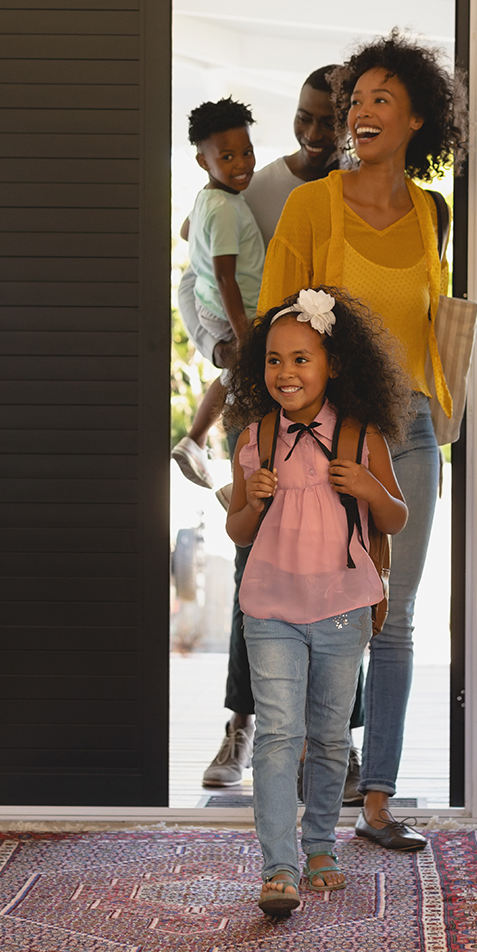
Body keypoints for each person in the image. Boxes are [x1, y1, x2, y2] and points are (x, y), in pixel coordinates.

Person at [257, 29, 468, 851]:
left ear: (417, 119)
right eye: (358, 99)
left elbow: (427, 324)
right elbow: (276, 323)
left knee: (395, 615)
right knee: (324, 607)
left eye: (384, 98)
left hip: (410, 430)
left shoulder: (431, 212)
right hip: (327, 434)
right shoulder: (312, 206)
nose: (363, 112)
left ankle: (376, 800)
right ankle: (314, 789)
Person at [175, 68, 365, 797]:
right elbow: (192, 274)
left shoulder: (361, 191)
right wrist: (217, 348)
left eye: (329, 121)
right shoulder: (253, 187)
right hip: (258, 400)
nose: (315, 134)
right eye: (305, 117)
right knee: (256, 559)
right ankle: (242, 725)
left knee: (343, 562)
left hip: (336, 408)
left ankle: (337, 744)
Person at [224, 287, 410, 915]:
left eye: (301, 359)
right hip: (271, 608)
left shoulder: (360, 437)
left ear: (334, 364)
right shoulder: (254, 439)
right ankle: (279, 865)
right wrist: (252, 499)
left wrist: (369, 488)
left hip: (341, 608)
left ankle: (320, 845)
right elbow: (237, 531)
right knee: (280, 734)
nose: (286, 372)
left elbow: (396, 517)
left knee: (329, 737)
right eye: (274, 360)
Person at [170, 97, 265, 489]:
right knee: (250, 387)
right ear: (203, 161)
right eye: (227, 157)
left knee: (233, 378)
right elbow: (226, 278)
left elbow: (186, 232)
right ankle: (234, 477)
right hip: (233, 311)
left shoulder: (210, 198)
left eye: (247, 152)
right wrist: (245, 334)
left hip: (216, 307)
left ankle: (196, 441)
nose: (242, 164)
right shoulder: (225, 208)